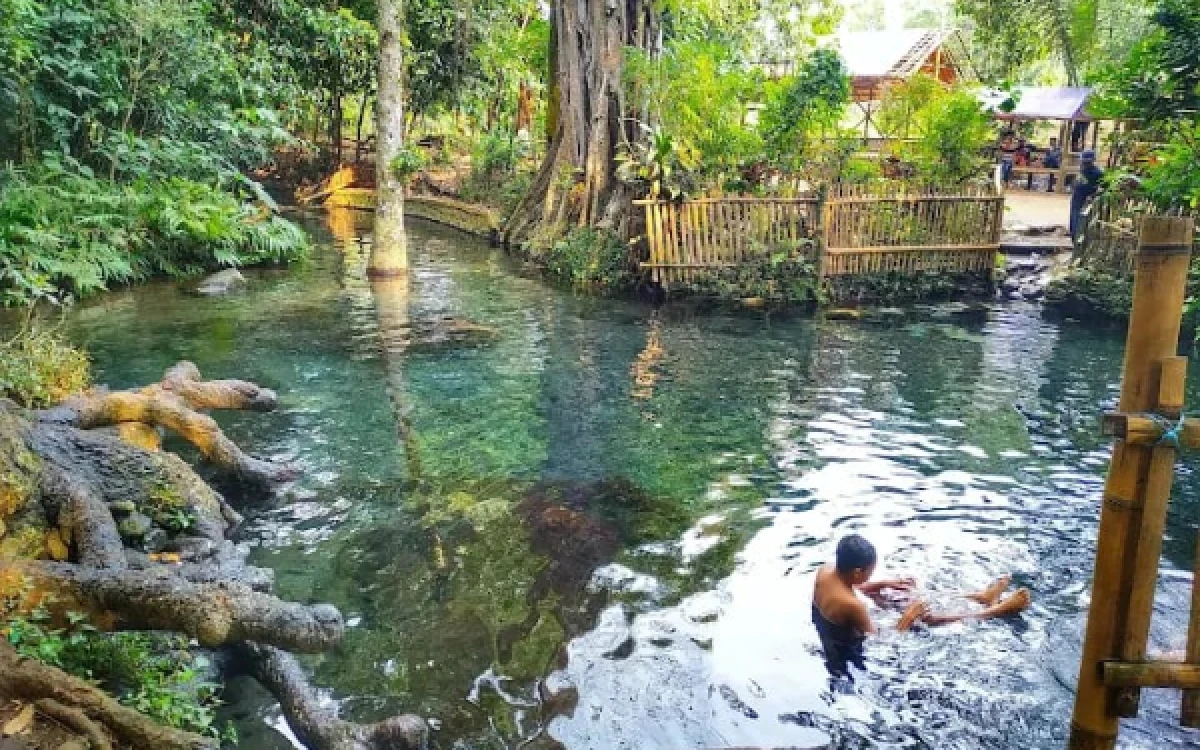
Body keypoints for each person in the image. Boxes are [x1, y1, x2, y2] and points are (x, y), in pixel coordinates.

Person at [811, 534, 1031, 678]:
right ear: (857, 571)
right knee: (927, 618)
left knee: (901, 595)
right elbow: (883, 640)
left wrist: (885, 583)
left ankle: (979, 596)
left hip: (839, 621)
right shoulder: (852, 605)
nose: (872, 574)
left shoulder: (827, 570)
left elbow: (854, 587)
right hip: (852, 644)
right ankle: (995, 611)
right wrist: (908, 617)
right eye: (871, 571)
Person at [1070, 149, 1105, 242]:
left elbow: (1104, 187)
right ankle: (1077, 238)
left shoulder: (1096, 173)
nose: (1084, 163)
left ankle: (1078, 238)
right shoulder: (1085, 171)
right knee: (1077, 219)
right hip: (1080, 199)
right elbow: (1075, 183)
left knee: (1080, 219)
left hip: (1086, 200)